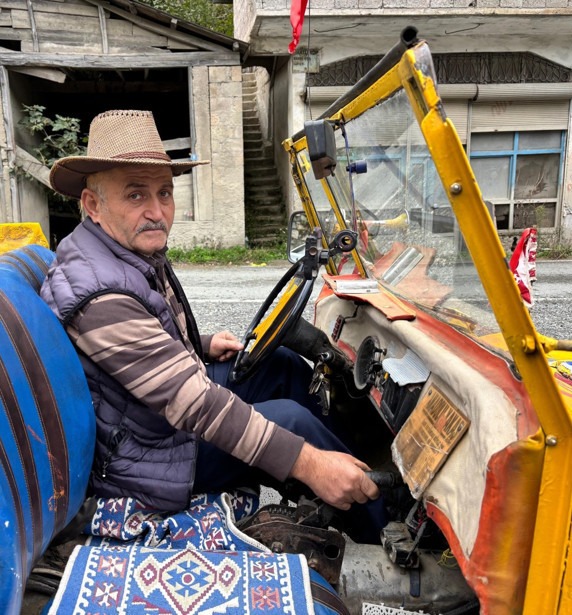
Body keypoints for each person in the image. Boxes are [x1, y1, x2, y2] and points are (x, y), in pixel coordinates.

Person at [40, 110, 380, 532]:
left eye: (164, 193)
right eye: (135, 195)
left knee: (283, 367)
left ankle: (357, 463)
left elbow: (140, 338)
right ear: (93, 204)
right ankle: (380, 523)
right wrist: (310, 463)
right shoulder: (100, 292)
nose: (156, 211)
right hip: (143, 456)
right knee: (292, 424)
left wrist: (198, 343)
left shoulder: (118, 251)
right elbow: (192, 403)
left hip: (145, 417)